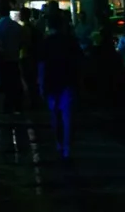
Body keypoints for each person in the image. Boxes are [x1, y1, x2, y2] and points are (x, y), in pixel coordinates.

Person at [38, 11, 83, 160]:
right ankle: (67, 147)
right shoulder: (70, 41)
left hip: (51, 82)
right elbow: (79, 61)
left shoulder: (45, 43)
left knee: (55, 115)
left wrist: (41, 84)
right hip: (68, 81)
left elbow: (42, 65)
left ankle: (59, 142)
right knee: (67, 116)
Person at [0, 3, 25, 113]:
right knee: (15, 81)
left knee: (6, 83)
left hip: (3, 57)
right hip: (15, 57)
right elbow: (21, 42)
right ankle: (18, 104)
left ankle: (8, 104)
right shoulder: (16, 26)